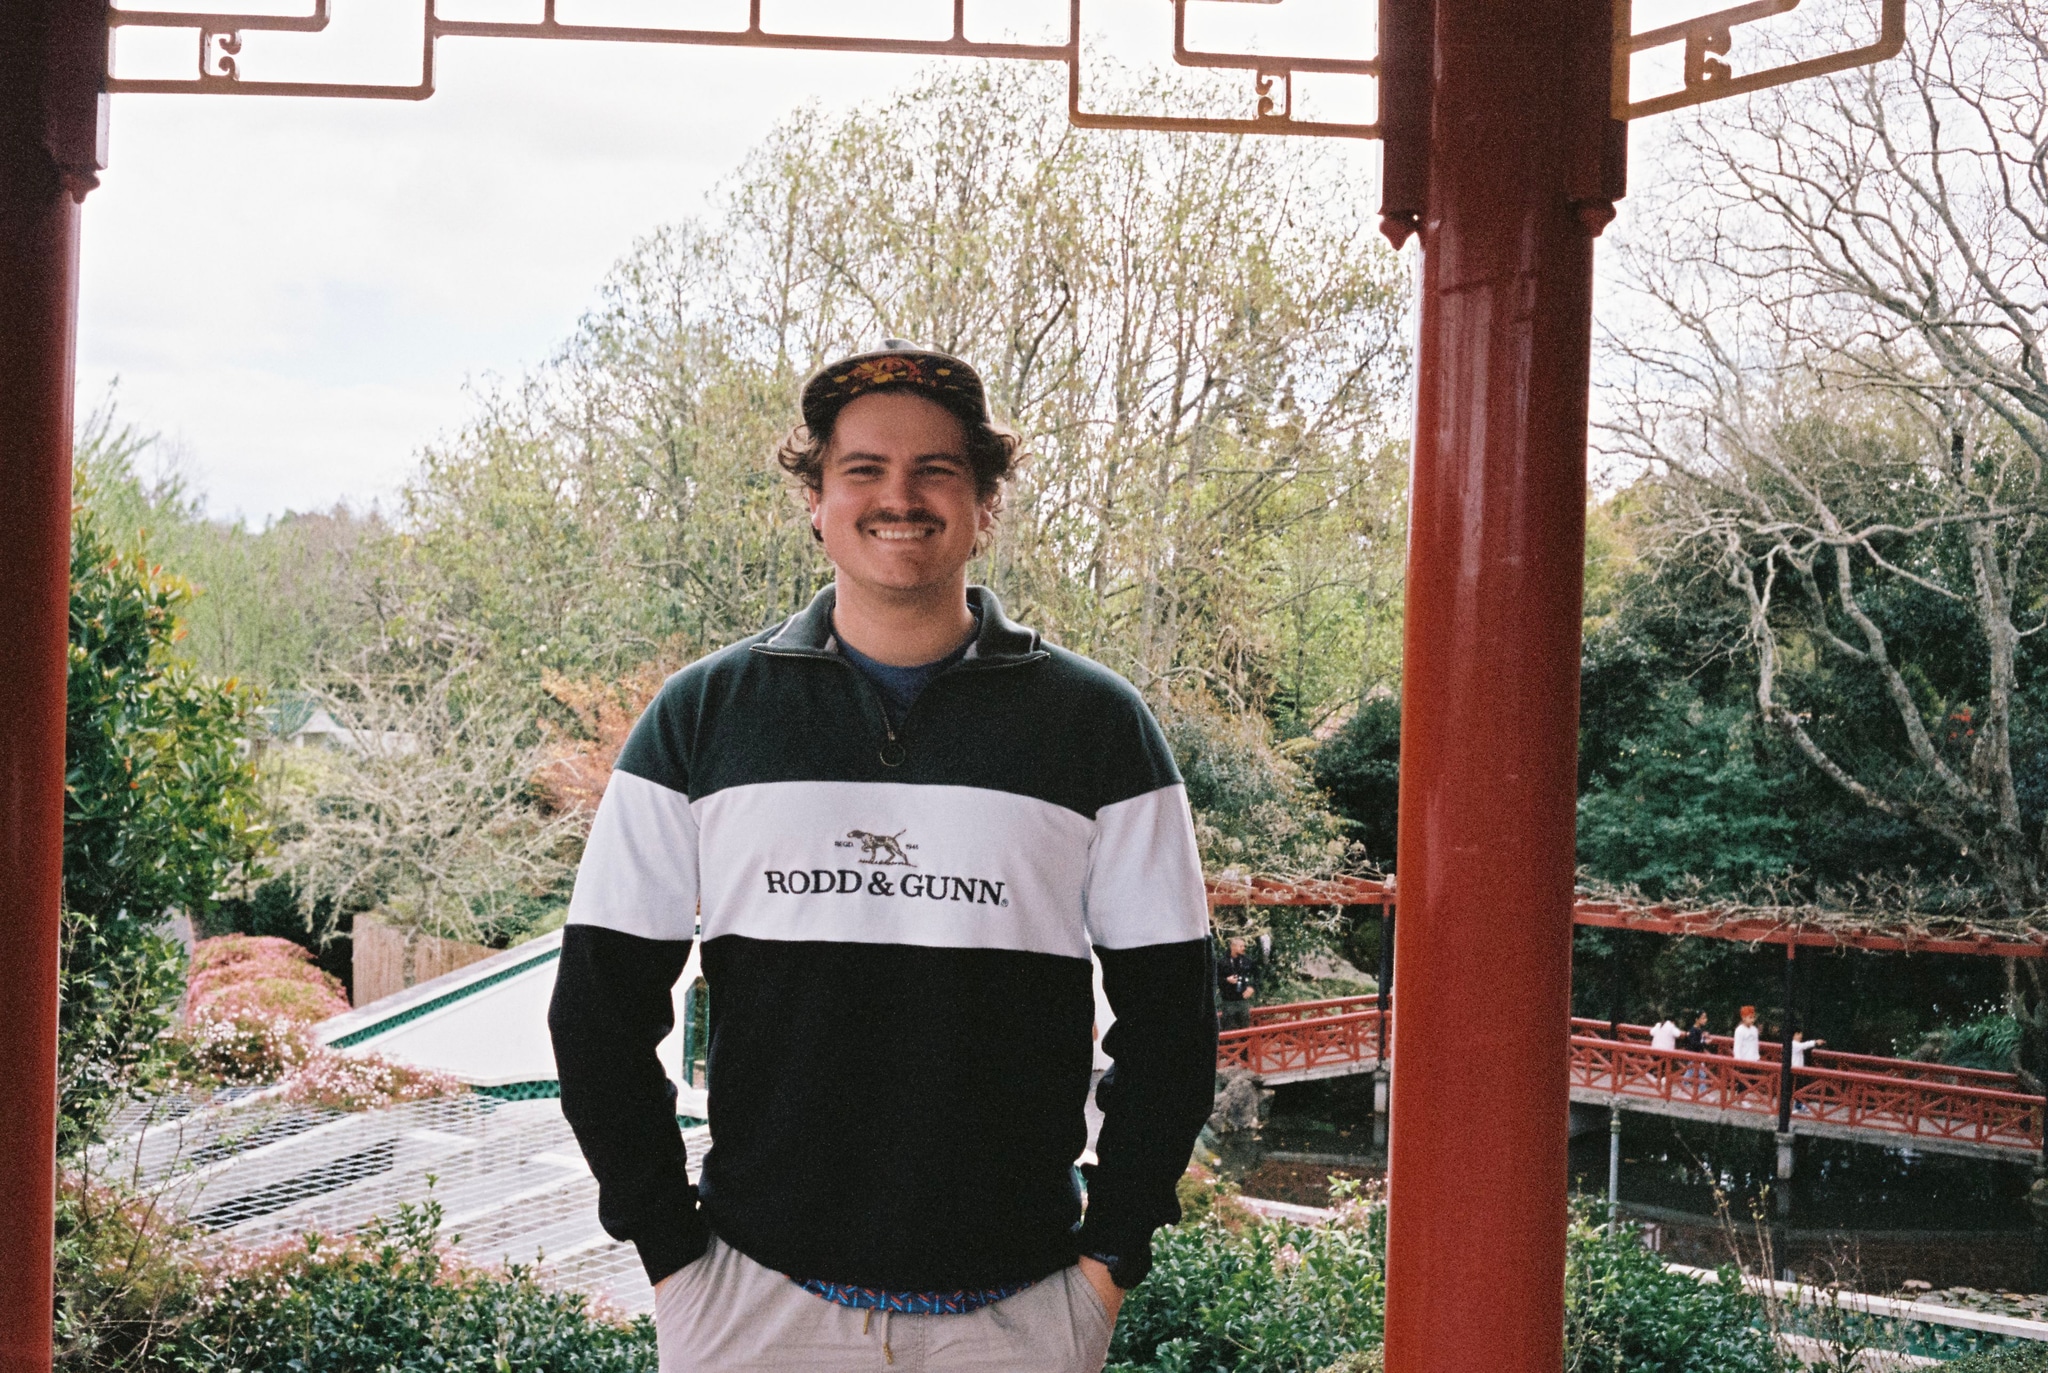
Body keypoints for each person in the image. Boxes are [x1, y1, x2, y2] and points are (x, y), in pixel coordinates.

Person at [548, 341, 1217, 1373]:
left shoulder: (1095, 728)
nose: (897, 496)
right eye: (862, 469)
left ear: (984, 502)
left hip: (1020, 1314)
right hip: (754, 1304)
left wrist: (1109, 1257)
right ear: (814, 499)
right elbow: (597, 1005)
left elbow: (1172, 1017)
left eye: (935, 469)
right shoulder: (702, 718)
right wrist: (670, 1250)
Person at [1217, 935, 1259, 1032]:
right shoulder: (1222, 962)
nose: (1244, 948)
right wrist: (1227, 980)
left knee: (1245, 1028)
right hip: (1228, 1001)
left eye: (1244, 946)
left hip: (1243, 1000)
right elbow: (1214, 979)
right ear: (1233, 947)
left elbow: (1257, 976)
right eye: (1241, 946)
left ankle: (1245, 1048)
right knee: (1229, 1029)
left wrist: (1252, 987)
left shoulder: (1247, 961)